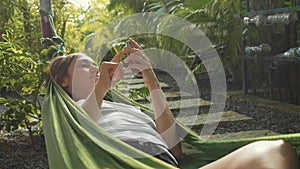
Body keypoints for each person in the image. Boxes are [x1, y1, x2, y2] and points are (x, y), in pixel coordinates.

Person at [47, 38, 298, 169]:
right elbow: (81, 130)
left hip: (165, 164)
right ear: (63, 81)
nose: (94, 68)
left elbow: (174, 148)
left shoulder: (127, 109)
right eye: (84, 65)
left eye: (94, 64)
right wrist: (101, 89)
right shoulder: (69, 115)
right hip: (126, 164)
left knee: (276, 149)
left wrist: (151, 79)